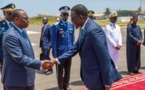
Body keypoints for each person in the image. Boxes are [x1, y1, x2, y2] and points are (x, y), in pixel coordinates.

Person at [49, 4, 122, 90]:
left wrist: (107, 84)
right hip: (91, 77)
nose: (71, 22)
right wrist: (56, 60)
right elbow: (75, 48)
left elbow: (104, 58)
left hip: (98, 79)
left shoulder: (94, 30)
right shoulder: (83, 28)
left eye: (72, 18)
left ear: (80, 17)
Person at [2, 9, 52, 90]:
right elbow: (19, 58)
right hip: (15, 81)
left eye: (28, 18)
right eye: (25, 18)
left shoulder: (22, 31)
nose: (28, 20)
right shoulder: (10, 35)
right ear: (16, 20)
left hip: (27, 79)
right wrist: (40, 63)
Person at [51, 6, 75, 90]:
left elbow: (72, 39)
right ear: (61, 15)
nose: (66, 16)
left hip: (69, 53)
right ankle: (60, 87)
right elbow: (53, 41)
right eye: (64, 14)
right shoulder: (56, 26)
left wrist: (72, 50)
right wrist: (54, 53)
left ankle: (66, 86)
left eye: (67, 14)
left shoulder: (71, 25)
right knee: (60, 72)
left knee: (68, 71)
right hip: (60, 53)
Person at [0, 3, 16, 69]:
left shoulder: (17, 24)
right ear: (4, 13)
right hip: (4, 57)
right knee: (6, 77)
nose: (11, 15)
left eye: (13, 13)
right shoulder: (1, 25)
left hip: (17, 56)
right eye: (9, 13)